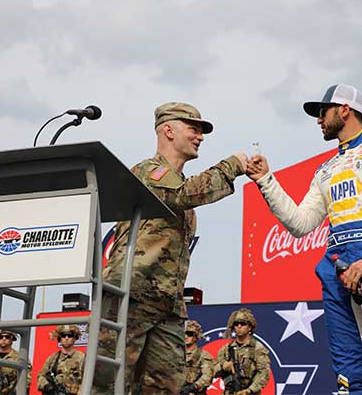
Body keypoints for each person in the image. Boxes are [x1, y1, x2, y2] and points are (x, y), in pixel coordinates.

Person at [246, 84, 362, 394]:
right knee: (348, 377)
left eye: (322, 111)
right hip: (336, 273)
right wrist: (266, 181)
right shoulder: (325, 169)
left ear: (345, 109)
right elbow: (300, 224)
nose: (318, 119)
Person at [94, 102, 247, 394]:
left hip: (167, 305)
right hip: (131, 295)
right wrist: (233, 165)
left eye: (201, 131)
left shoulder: (180, 191)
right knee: (110, 383)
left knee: (164, 387)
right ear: (168, 129)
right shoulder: (147, 172)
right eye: (193, 128)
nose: (200, 136)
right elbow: (184, 194)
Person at [213, 308, 270, 395]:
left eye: (243, 324)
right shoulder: (226, 349)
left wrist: (249, 390)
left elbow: (264, 373)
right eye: (236, 324)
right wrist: (223, 366)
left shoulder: (257, 348)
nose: (239, 326)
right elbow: (211, 371)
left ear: (249, 327)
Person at [37, 325, 85, 395]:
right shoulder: (53, 358)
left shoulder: (81, 358)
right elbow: (41, 376)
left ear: (75, 338)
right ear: (60, 338)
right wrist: (47, 386)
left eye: (70, 335)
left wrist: (76, 390)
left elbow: (88, 381)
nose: (66, 338)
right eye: (63, 335)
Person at [179, 320, 213, 395]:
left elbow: (207, 376)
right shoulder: (177, 353)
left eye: (189, 334)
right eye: (184, 333)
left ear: (196, 336)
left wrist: (193, 386)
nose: (186, 336)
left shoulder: (203, 355)